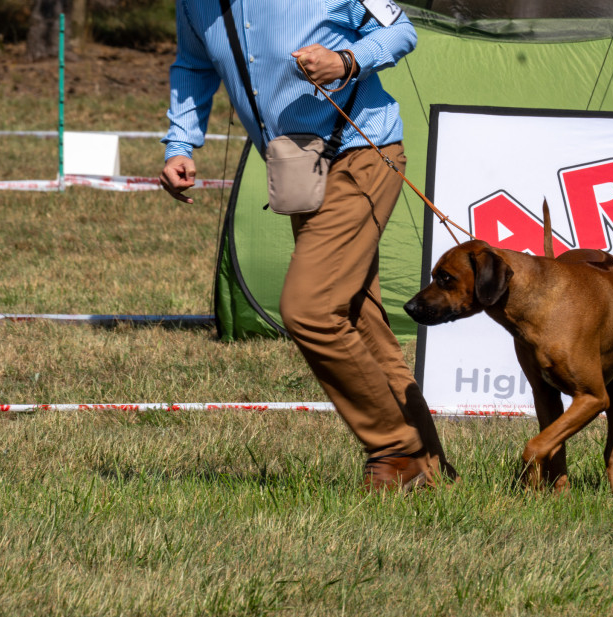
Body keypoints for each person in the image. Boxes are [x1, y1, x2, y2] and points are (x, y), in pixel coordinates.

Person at [159, 0, 457, 490]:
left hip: (362, 154)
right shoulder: (195, 4)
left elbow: (401, 30)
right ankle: (428, 470)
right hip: (299, 170)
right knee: (357, 318)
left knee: (309, 309)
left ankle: (394, 449)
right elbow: (193, 64)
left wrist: (346, 62)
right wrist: (180, 145)